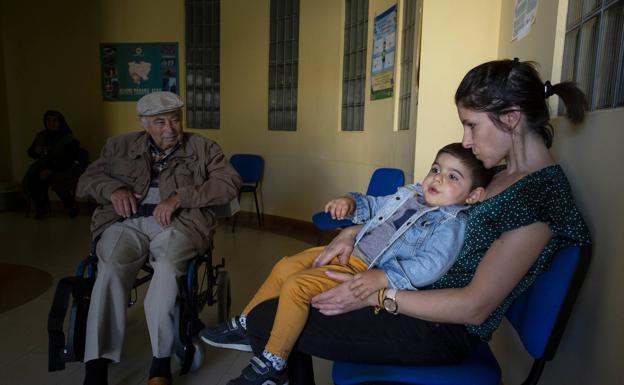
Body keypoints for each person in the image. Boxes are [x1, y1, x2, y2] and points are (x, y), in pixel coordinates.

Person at [242, 59, 591, 384]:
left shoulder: (538, 197)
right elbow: (419, 215)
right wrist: (353, 232)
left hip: (439, 328)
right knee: (285, 294)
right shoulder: (497, 176)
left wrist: (377, 296)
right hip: (410, 289)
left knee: (266, 318)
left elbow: (475, 308)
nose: (466, 142)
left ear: (512, 117)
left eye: (471, 125)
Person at [201, 143, 494, 384]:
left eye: (453, 177)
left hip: (365, 269)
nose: (438, 178)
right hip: (352, 252)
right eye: (436, 169)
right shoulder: (411, 194)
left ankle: (274, 362)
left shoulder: (451, 223)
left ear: (473, 195)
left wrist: (383, 277)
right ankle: (245, 322)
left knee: (296, 286)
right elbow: (377, 206)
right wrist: (351, 203)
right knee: (285, 265)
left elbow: (432, 265)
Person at [76, 91, 241, 385]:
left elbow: (228, 183)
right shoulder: (119, 145)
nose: (169, 128)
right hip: (125, 222)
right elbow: (88, 180)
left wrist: (181, 197)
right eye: (159, 122)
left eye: (175, 120)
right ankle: (96, 364)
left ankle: (160, 362)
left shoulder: (203, 147)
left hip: (180, 223)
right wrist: (114, 190)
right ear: (144, 123)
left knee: (165, 269)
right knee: (110, 269)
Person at [23, 110, 81, 218]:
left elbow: (69, 160)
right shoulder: (41, 135)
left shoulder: (68, 138)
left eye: (54, 120)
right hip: (44, 165)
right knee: (32, 177)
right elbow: (31, 153)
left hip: (65, 167)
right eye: (48, 120)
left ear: (60, 122)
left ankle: (70, 205)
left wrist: (51, 170)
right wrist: (36, 151)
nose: (51, 123)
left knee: (58, 180)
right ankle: (41, 207)